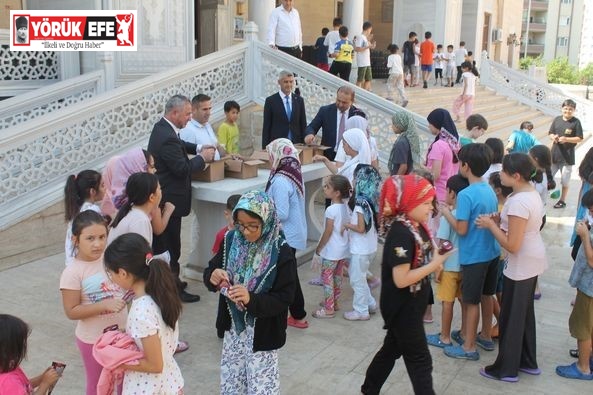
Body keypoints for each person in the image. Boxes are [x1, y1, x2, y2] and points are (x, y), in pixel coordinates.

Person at [361, 174, 453, 395]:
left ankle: (369, 389)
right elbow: (401, 279)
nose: (431, 208)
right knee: (420, 360)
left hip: (413, 303)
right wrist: (435, 264)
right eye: (426, 203)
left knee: (391, 349)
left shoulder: (417, 226)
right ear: (409, 202)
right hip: (402, 307)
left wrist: (436, 259)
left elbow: (420, 257)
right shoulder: (401, 233)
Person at [203, 190, 296, 394]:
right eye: (241, 224)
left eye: (253, 226)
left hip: (262, 333)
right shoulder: (231, 240)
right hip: (234, 329)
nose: (245, 232)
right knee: (233, 381)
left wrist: (251, 299)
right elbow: (211, 269)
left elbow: (285, 297)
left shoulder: (280, 252)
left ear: (267, 221)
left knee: (261, 385)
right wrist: (213, 275)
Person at [476, 153, 547, 382]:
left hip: (522, 262)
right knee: (523, 314)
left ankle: (506, 369)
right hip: (531, 258)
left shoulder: (518, 201)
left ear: (515, 176)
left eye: (504, 172)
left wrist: (490, 225)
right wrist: (500, 221)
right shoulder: (528, 192)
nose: (500, 175)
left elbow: (512, 245)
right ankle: (527, 361)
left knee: (512, 317)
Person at [147, 94, 215, 303]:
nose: (189, 118)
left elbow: (179, 144)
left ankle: (172, 282)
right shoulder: (166, 136)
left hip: (167, 198)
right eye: (186, 114)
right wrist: (202, 159)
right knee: (169, 247)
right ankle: (172, 288)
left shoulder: (164, 128)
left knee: (169, 244)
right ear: (174, 113)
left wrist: (196, 148)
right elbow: (182, 168)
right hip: (169, 201)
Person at [440, 143, 500, 361]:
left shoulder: (465, 195)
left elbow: (462, 229)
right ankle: (484, 335)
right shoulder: (488, 189)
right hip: (492, 252)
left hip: (474, 256)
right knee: (486, 295)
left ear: (465, 166)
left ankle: (468, 347)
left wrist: (446, 213)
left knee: (471, 300)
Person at [104, 233, 184, 393]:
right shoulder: (161, 293)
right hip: (171, 380)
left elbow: (155, 365)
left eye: (110, 273)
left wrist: (116, 361)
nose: (111, 278)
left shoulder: (141, 311)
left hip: (150, 387)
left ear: (123, 273)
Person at [59, 210, 128, 395]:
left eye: (101, 237)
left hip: (122, 336)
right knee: (99, 386)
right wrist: (104, 306)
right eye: (90, 238)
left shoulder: (110, 259)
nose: (97, 244)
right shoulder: (72, 272)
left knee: (125, 382)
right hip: (93, 340)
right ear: (75, 239)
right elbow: (71, 311)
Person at [265, 138, 309, 329]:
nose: (269, 159)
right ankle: (295, 313)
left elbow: (281, 213)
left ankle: (297, 315)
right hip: (292, 233)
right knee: (288, 274)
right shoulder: (292, 172)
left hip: (285, 235)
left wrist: (262, 211)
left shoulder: (281, 180)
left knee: (288, 277)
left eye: (270, 155)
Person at [427, 174, 470, 349]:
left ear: (452, 193)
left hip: (450, 266)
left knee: (447, 302)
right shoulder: (468, 215)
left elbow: (444, 243)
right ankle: (465, 333)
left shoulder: (448, 216)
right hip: (465, 265)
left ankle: (444, 336)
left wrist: (438, 266)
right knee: (464, 301)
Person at [556, 189, 593, 380]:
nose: (589, 214)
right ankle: (588, 357)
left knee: (583, 327)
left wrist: (585, 236)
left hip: (589, 289)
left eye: (592, 210)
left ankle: (583, 367)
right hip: (587, 287)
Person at [100, 148, 175, 235]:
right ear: (140, 168)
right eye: (152, 166)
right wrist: (168, 211)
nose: (155, 170)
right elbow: (158, 229)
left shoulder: (114, 198)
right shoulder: (144, 196)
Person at [343, 165, 382, 321]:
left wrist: (347, 225)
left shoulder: (360, 203)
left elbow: (361, 228)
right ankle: (370, 303)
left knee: (356, 280)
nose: (353, 180)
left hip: (361, 249)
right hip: (370, 247)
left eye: (355, 177)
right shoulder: (371, 199)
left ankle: (361, 310)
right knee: (360, 276)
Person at [313, 175, 351, 318]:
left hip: (331, 251)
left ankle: (329, 309)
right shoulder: (346, 207)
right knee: (337, 277)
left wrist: (319, 248)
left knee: (327, 278)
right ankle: (335, 302)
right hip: (342, 249)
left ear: (337, 193)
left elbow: (328, 232)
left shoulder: (331, 210)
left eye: (327, 187)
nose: (324, 188)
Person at [0, 314, 61, 394]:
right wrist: (45, 384)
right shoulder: (9, 382)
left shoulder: (8, 364)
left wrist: (41, 378)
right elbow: (15, 387)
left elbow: (22, 387)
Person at [211, 194, 242, 339]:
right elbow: (215, 259)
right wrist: (216, 275)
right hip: (226, 282)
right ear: (227, 214)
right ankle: (222, 328)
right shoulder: (223, 236)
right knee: (224, 305)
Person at [425, 108, 460, 227]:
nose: (428, 126)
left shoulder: (439, 145)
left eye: (430, 123)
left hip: (436, 195)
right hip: (448, 195)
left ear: (437, 124)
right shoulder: (454, 143)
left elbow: (435, 174)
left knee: (432, 231)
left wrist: (420, 167)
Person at [305, 85, 359, 161]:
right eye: (338, 100)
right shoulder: (325, 111)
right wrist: (310, 134)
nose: (340, 104)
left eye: (344, 102)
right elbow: (312, 127)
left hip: (349, 157)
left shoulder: (357, 115)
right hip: (328, 156)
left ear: (352, 101)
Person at [107, 172, 161, 246]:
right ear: (151, 197)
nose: (161, 192)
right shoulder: (140, 220)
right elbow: (141, 254)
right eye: (159, 189)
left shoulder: (132, 212)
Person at [64, 170, 105, 265]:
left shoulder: (76, 209)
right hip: (85, 263)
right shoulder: (93, 210)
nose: (105, 188)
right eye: (102, 185)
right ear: (92, 191)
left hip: (72, 261)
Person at [549, 99, 584, 209]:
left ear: (573, 110)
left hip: (567, 157)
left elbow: (579, 138)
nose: (567, 111)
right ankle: (542, 198)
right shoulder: (557, 119)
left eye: (570, 109)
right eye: (565, 108)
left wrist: (567, 139)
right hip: (554, 154)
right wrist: (553, 137)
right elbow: (550, 133)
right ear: (562, 108)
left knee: (565, 181)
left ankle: (562, 201)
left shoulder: (576, 122)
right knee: (547, 177)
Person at [262, 70, 307, 148]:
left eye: (291, 82)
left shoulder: (299, 100)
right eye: (286, 82)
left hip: (296, 145)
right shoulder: (271, 101)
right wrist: (265, 148)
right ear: (279, 82)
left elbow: (303, 124)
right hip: (278, 145)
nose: (289, 85)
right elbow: (266, 127)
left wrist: (305, 145)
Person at [180, 94, 226, 160]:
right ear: (193, 110)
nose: (208, 113)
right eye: (204, 109)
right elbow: (187, 159)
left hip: (217, 168)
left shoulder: (207, 125)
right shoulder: (188, 129)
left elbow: (216, 146)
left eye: (209, 108)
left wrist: (229, 155)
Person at [388, 111, 422, 175]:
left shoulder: (401, 142)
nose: (392, 126)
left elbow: (403, 167)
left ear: (400, 125)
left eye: (394, 123)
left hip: (401, 180)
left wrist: (396, 182)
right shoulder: (409, 139)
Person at [354, 21, 375, 91]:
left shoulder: (365, 38)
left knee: (368, 78)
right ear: (368, 29)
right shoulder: (360, 37)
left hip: (367, 62)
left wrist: (371, 46)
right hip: (362, 62)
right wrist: (368, 47)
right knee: (360, 79)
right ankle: (357, 93)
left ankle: (365, 92)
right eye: (370, 29)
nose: (370, 31)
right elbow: (357, 49)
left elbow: (367, 46)